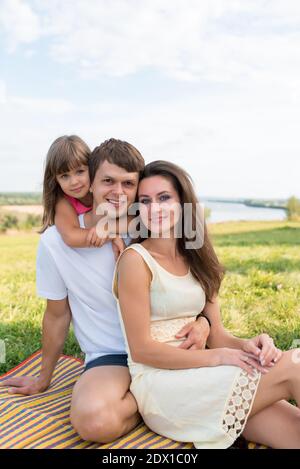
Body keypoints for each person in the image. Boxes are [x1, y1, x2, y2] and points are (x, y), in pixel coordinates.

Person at [0, 139, 210, 444]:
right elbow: (57, 315)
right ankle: (152, 402)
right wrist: (44, 377)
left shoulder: (153, 223)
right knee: (94, 422)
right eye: (108, 181)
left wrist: (205, 323)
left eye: (129, 183)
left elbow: (198, 287)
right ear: (92, 182)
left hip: (170, 344)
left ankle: (162, 397)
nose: (118, 191)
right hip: (111, 355)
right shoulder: (55, 242)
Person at [113, 160, 300, 449]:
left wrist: (250, 344)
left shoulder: (197, 259)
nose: (154, 209)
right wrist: (219, 357)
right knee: (296, 363)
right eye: (145, 201)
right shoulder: (135, 261)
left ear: (183, 203)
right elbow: (142, 350)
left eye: (164, 198)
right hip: (163, 387)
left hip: (207, 378)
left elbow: (219, 336)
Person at [40, 135, 124, 259]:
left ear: (92, 168)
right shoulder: (63, 201)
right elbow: (71, 236)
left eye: (80, 171)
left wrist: (108, 228)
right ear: (56, 180)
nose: (74, 182)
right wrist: (111, 235)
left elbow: (133, 217)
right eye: (64, 176)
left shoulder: (106, 189)